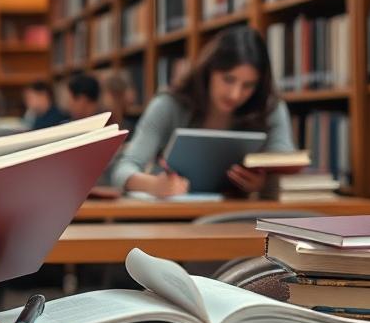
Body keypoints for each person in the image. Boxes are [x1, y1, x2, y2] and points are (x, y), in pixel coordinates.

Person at [107, 26, 294, 198]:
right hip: (172, 218)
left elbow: (285, 165)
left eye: (248, 85)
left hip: (239, 218)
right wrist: (154, 185)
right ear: (209, 71)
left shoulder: (269, 108)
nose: (235, 94)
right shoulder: (169, 105)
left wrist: (264, 183)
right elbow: (122, 169)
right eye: (228, 79)